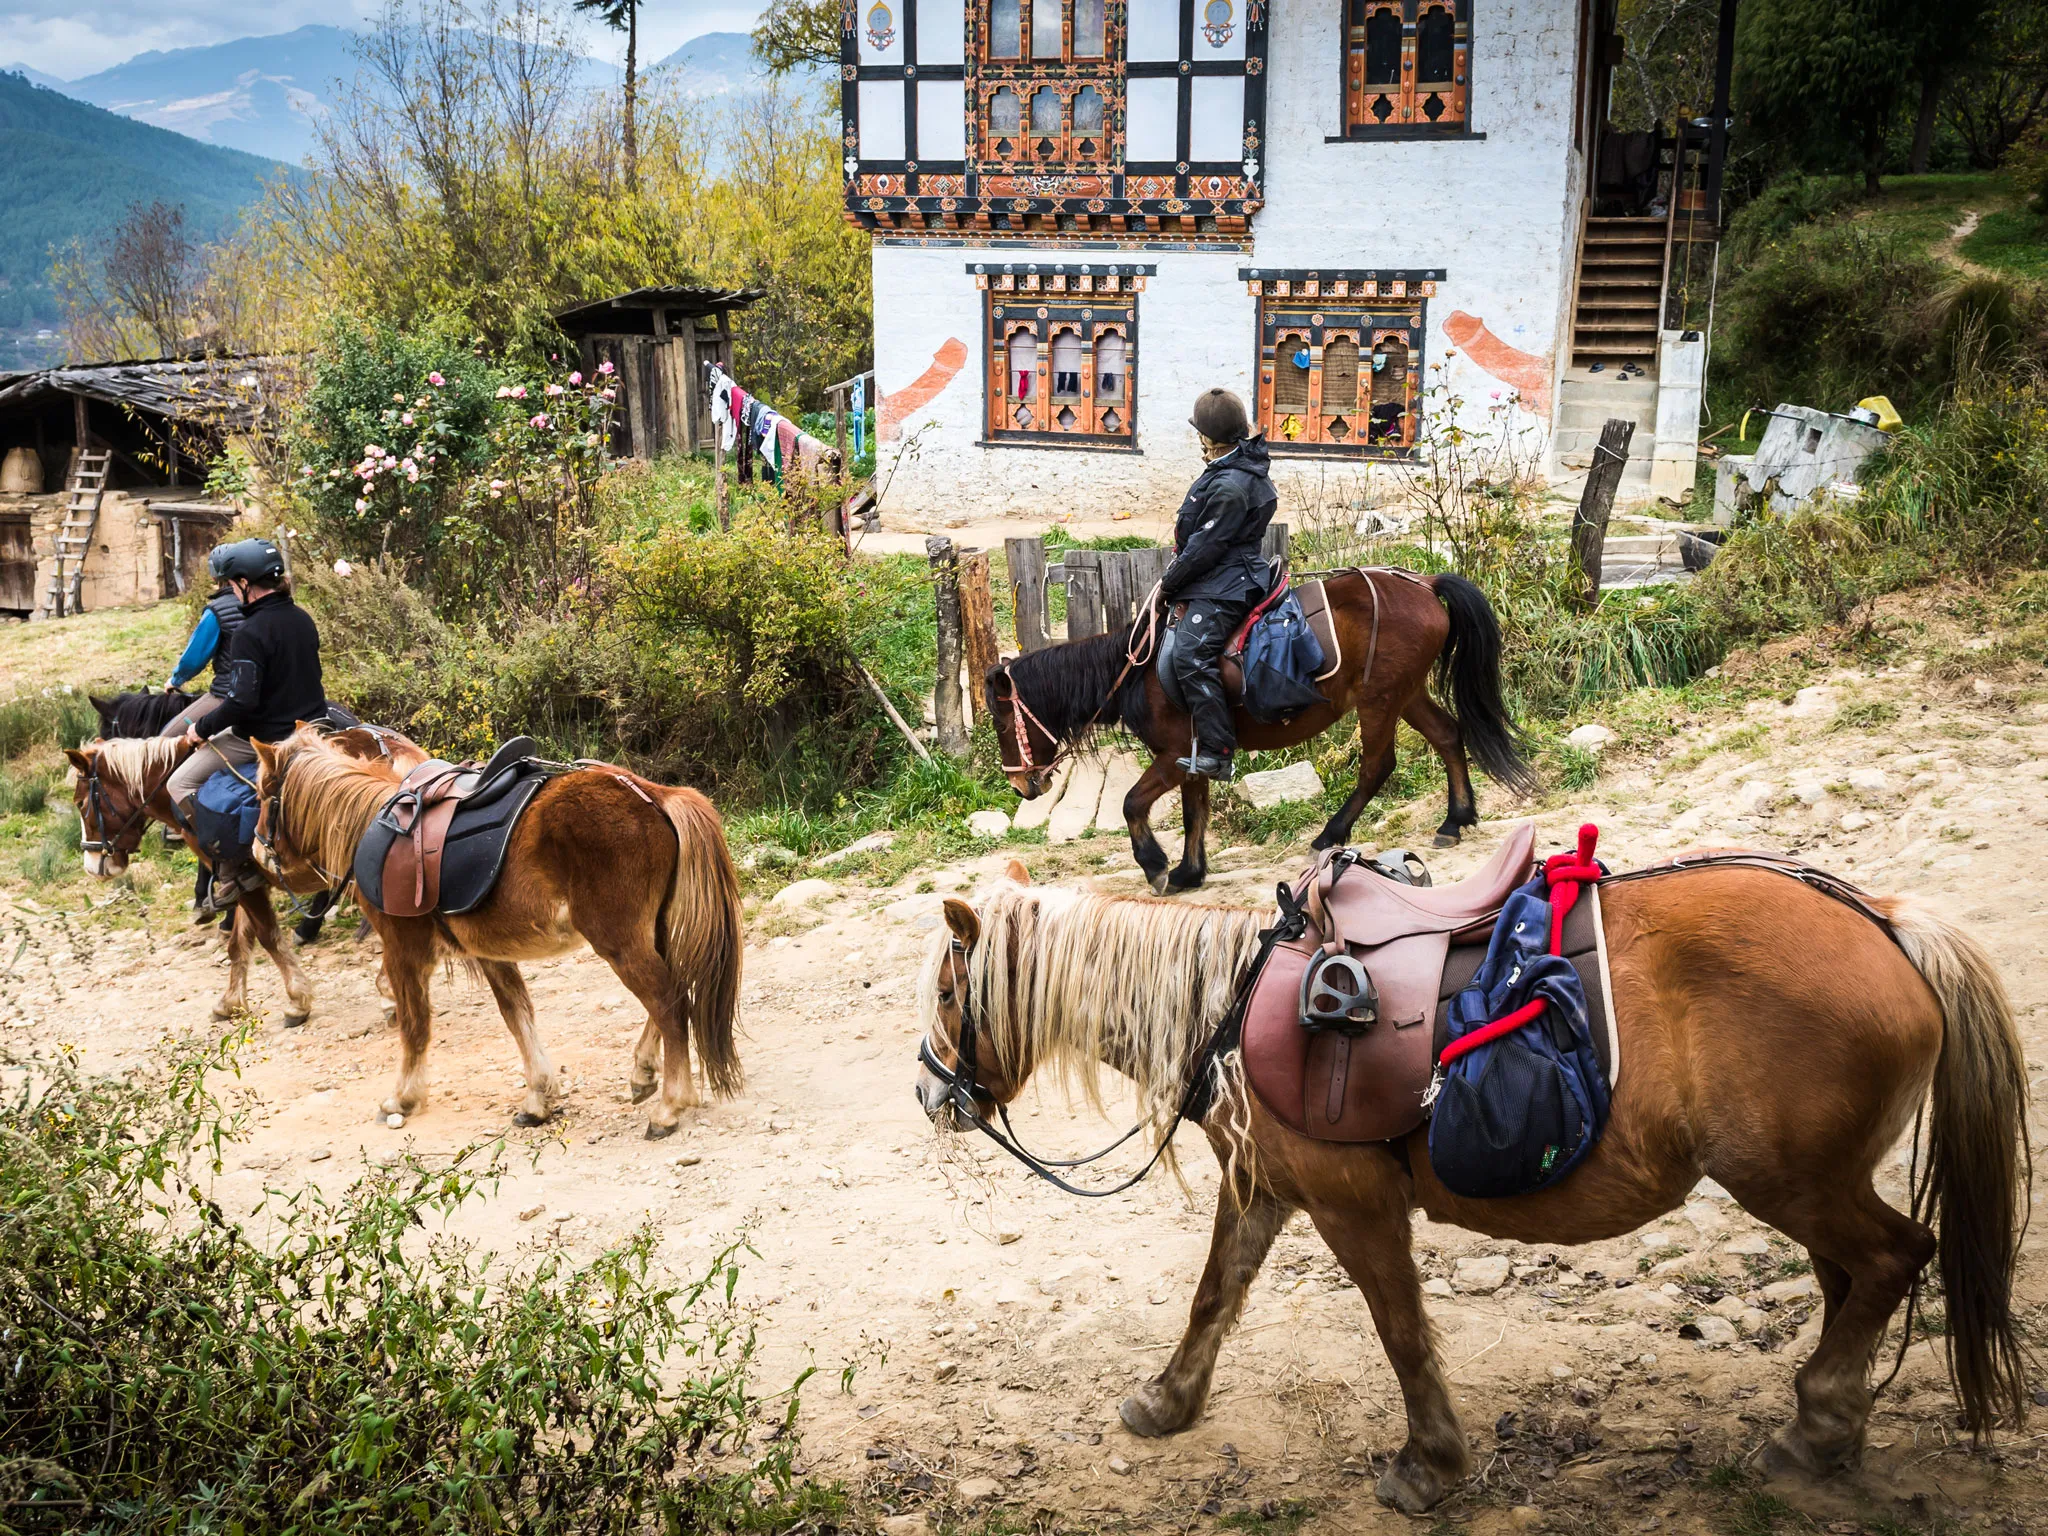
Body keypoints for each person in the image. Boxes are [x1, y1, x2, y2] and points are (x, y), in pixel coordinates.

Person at [165, 538, 328, 914]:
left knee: (180, 782)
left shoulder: (250, 634)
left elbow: (241, 702)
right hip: (312, 727)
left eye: (230, 584)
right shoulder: (302, 618)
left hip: (267, 736)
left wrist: (200, 729)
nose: (229, 591)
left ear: (244, 584)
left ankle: (237, 861)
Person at [1159, 388, 1278, 782]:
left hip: (1227, 583)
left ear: (1208, 439)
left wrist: (1168, 584)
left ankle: (1218, 750)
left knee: (1190, 654)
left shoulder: (1231, 484)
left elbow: (1205, 548)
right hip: (1218, 577)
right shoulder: (1231, 469)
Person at [156, 574, 247, 738]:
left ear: (216, 579)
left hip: (227, 694)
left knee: (166, 739)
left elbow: (193, 660)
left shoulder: (217, 610)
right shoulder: (269, 607)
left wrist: (175, 680)